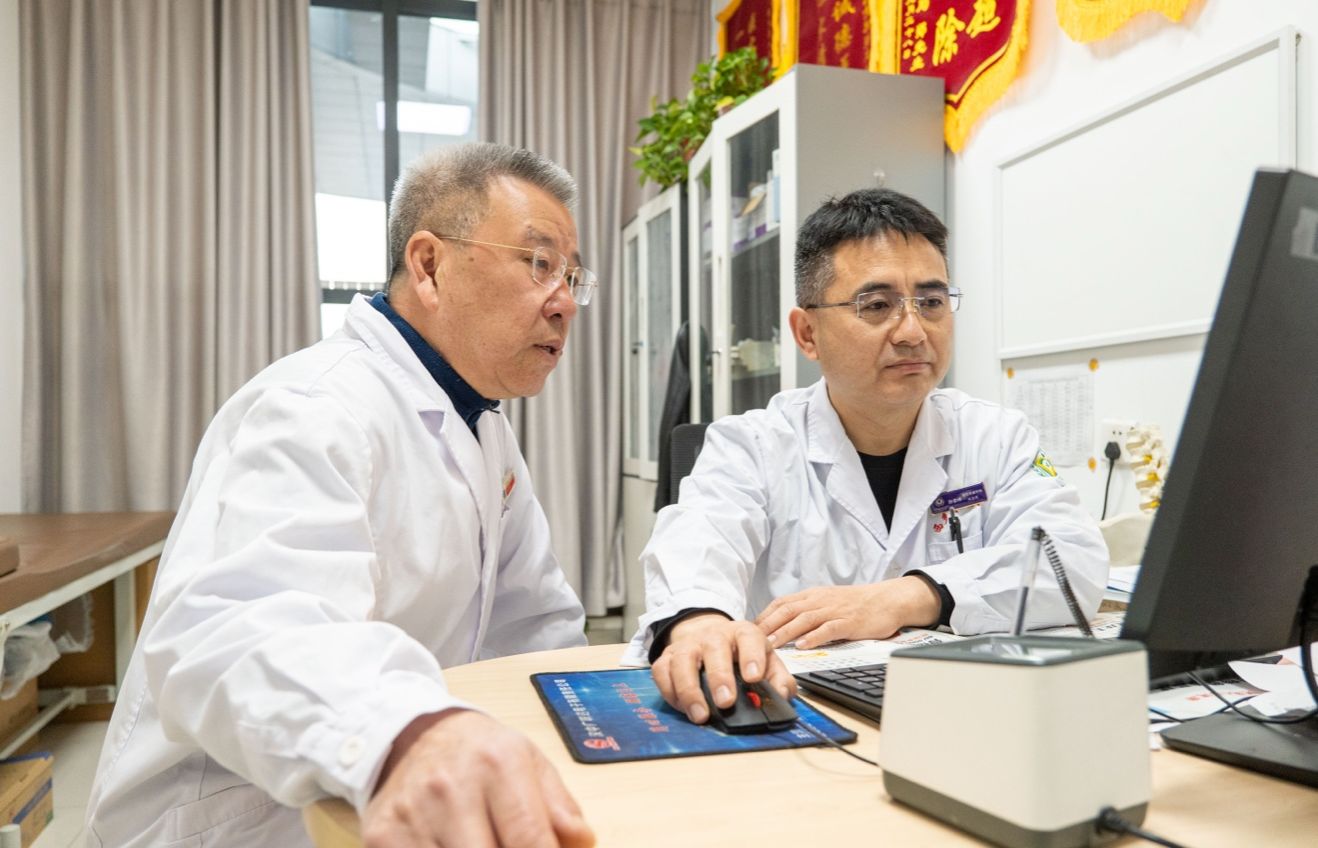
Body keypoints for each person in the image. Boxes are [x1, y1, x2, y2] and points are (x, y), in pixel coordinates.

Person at [86, 143, 599, 848]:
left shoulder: (484, 426)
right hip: (238, 815)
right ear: (429, 266)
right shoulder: (315, 406)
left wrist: (599, 717)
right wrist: (407, 732)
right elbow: (239, 624)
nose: (564, 303)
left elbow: (532, 621)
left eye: (572, 276)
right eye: (539, 264)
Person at [628, 188, 1108, 727]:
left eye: (931, 302)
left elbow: (1073, 562)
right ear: (807, 333)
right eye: (877, 306)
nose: (913, 332)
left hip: (965, 712)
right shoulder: (750, 445)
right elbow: (696, 549)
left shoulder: (996, 436)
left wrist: (909, 596)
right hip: (803, 716)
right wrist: (699, 625)